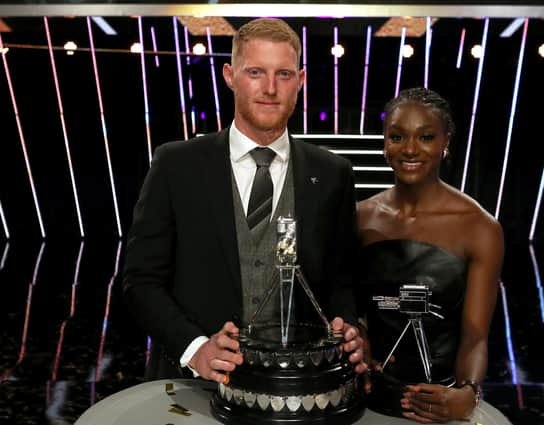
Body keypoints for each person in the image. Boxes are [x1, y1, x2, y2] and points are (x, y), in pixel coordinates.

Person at [123, 18, 365, 382]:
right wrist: (196, 349)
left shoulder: (333, 173)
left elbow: (341, 282)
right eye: (255, 72)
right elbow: (141, 281)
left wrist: (347, 329)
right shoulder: (176, 164)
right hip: (193, 385)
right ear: (229, 75)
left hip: (294, 385)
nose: (270, 88)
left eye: (283, 75)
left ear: (300, 81)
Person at [356, 87, 504, 423]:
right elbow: (351, 308)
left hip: (440, 406)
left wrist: (467, 394)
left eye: (425, 137)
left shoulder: (480, 227)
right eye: (397, 136)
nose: (409, 149)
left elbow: (476, 336)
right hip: (366, 400)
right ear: (384, 141)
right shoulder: (360, 217)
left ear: (445, 142)